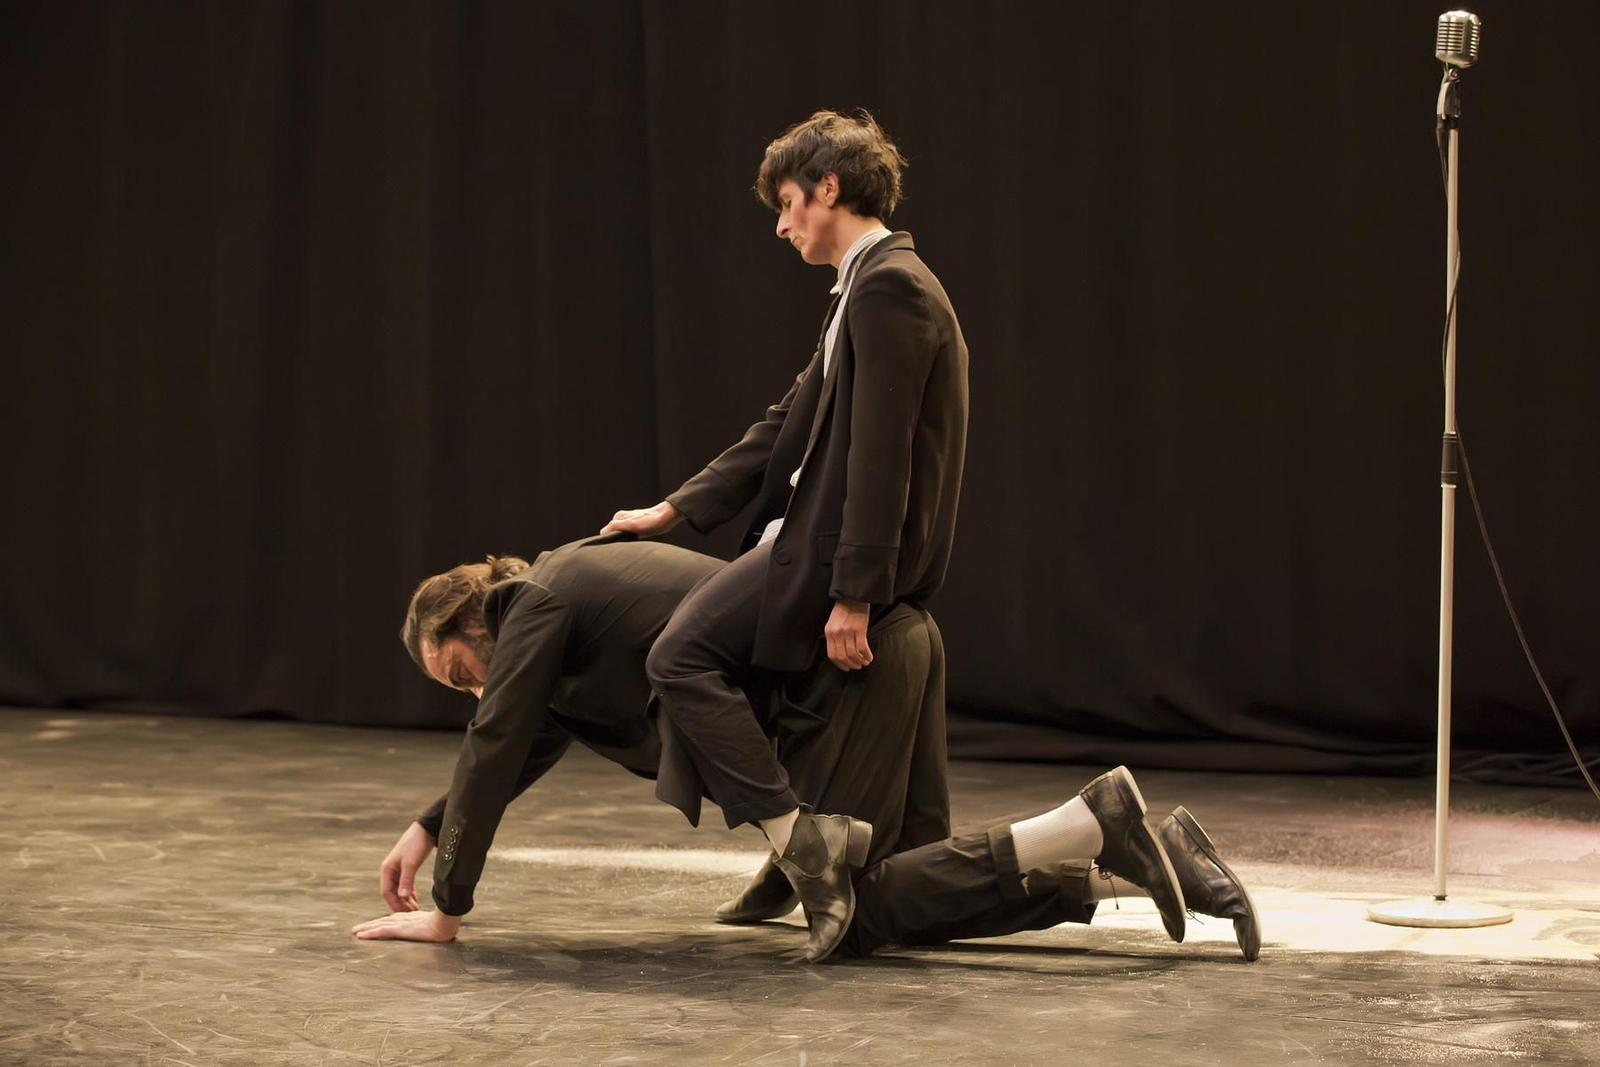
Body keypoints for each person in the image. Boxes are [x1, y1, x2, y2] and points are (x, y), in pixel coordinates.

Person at [603, 109, 971, 961]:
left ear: (828, 189)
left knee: (679, 654)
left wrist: (854, 591)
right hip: (816, 544)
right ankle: (797, 852)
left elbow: (883, 458)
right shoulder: (864, 287)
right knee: (781, 700)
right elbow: (788, 421)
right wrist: (675, 508)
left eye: (788, 203)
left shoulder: (891, 286)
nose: (781, 224)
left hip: (824, 553)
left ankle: (796, 840)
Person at [348, 533, 951, 943]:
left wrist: (447, 912)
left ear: (477, 621)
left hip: (858, 667)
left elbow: (495, 745)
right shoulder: (559, 610)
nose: (476, 693)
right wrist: (429, 826)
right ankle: (793, 859)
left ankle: (1039, 873)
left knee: (883, 909)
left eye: (463, 675)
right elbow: (527, 744)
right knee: (922, 888)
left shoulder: (532, 601)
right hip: (880, 657)